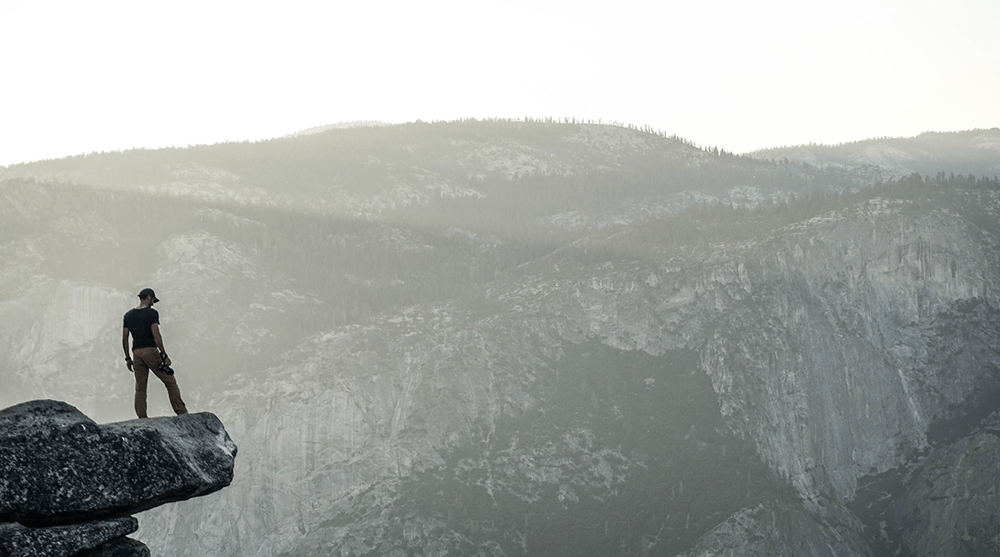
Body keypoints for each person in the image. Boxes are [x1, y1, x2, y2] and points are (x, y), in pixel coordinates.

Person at [122, 288, 187, 418]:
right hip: (150, 351)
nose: (153, 303)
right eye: (153, 300)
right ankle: (181, 412)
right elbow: (156, 334)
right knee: (170, 381)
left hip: (136, 354)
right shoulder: (152, 313)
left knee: (140, 388)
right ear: (149, 298)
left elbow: (124, 337)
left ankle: (142, 417)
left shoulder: (128, 315)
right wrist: (163, 353)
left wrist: (128, 358)